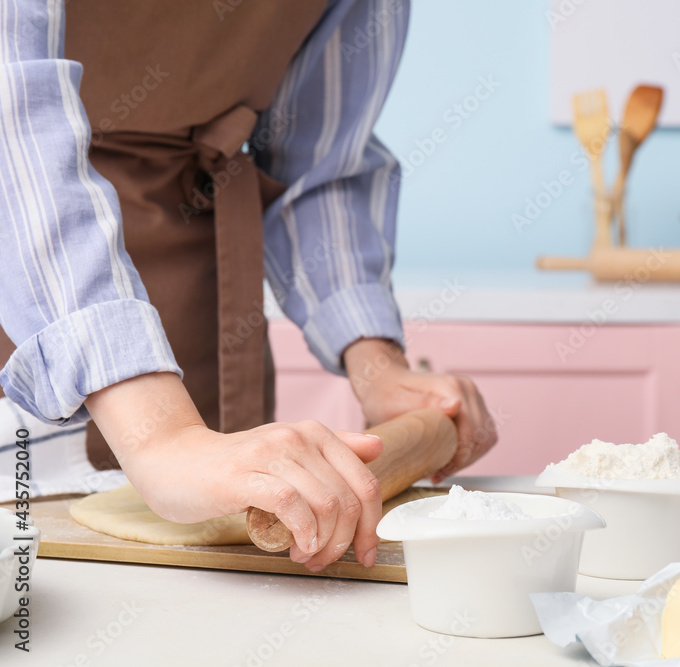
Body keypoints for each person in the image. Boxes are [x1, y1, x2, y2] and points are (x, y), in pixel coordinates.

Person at [0, 0, 496, 572]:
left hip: (196, 274)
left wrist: (377, 365)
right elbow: (15, 125)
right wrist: (161, 437)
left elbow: (319, 161)